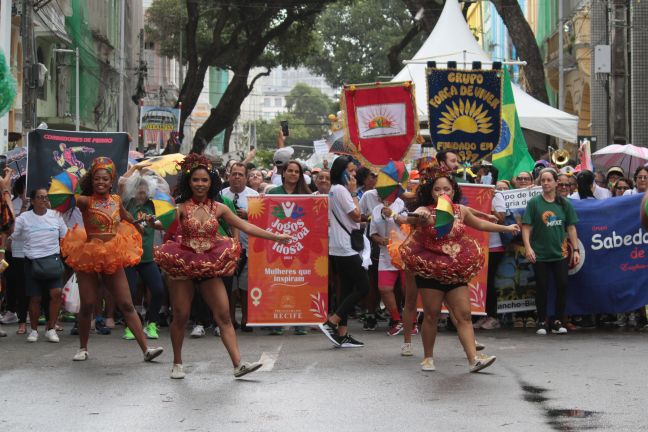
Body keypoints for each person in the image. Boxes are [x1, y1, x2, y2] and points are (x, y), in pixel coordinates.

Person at [154, 153, 291, 379]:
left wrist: (276, 237)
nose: (200, 184)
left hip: (209, 264)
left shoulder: (219, 208)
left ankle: (238, 364)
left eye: (204, 180)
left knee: (224, 316)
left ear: (212, 183)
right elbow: (163, 223)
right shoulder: (180, 208)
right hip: (183, 263)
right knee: (180, 315)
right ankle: (177, 362)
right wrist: (151, 221)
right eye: (196, 180)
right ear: (189, 182)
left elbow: (245, 226)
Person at [399, 169, 519, 372]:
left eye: (446, 188)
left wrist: (506, 229)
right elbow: (413, 217)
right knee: (431, 315)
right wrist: (407, 218)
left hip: (456, 267)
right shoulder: (425, 209)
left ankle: (473, 360)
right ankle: (428, 357)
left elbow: (480, 223)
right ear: (431, 192)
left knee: (464, 315)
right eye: (437, 189)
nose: (441, 192)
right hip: (431, 268)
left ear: (453, 190)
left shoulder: (460, 211)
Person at [61, 157, 164, 362]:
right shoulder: (85, 201)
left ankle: (146, 349)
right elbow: (69, 197)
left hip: (112, 254)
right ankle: (83, 348)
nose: (101, 182)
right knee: (88, 304)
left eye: (105, 179)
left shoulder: (116, 200)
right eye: (97, 178)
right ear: (92, 180)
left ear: (111, 181)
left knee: (126, 304)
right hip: (89, 253)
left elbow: (129, 219)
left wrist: (148, 221)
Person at [319, 155, 370, 348]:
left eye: (354, 170)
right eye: (350, 171)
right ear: (341, 172)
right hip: (345, 247)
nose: (354, 174)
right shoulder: (341, 189)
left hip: (338, 245)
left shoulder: (334, 190)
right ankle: (331, 322)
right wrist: (355, 193)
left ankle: (342, 334)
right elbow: (356, 216)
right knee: (364, 287)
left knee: (347, 289)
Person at [522, 168, 580, 335]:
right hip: (539, 253)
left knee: (562, 285)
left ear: (555, 183)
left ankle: (557, 320)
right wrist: (528, 247)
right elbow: (526, 227)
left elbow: (571, 227)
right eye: (543, 180)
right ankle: (541, 320)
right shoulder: (534, 203)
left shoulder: (564, 204)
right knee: (542, 286)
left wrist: (575, 249)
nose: (546, 183)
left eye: (549, 180)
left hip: (560, 253)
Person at [11, 188, 67, 343]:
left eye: (45, 197)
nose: (43, 200)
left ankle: (51, 329)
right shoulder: (24, 217)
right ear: (33, 200)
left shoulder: (56, 215)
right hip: (32, 262)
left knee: (56, 293)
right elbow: (13, 235)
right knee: (35, 297)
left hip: (53, 260)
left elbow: (65, 236)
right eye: (40, 197)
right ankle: (34, 330)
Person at [120, 168, 166, 341]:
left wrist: (153, 173)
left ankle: (151, 323)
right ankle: (130, 326)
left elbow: (164, 188)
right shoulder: (127, 204)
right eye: (138, 188)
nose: (141, 192)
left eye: (145, 189)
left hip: (147, 257)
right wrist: (135, 170)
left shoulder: (153, 205)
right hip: (129, 256)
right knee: (129, 293)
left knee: (158, 290)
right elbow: (121, 183)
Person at [221, 162, 259, 333]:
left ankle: (246, 318)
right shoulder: (220, 195)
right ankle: (228, 319)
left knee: (246, 286)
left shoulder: (255, 196)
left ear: (246, 177)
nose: (236, 177)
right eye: (234, 174)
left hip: (249, 246)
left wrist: (248, 215)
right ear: (229, 176)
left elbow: (263, 221)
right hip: (225, 248)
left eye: (240, 174)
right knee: (230, 286)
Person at [2, 175, 28, 333]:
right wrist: (23, 207)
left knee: (26, 284)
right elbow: (11, 225)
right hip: (12, 249)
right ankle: (11, 310)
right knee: (11, 282)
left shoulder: (39, 202)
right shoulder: (13, 202)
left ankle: (27, 313)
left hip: (30, 250)